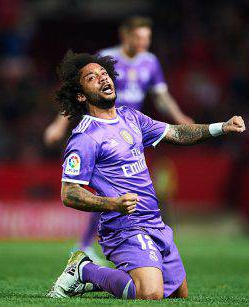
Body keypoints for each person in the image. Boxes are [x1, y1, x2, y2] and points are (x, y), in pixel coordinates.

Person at [47, 51, 246, 299]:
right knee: (150, 294)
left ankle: (101, 277)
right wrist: (112, 204)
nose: (103, 78)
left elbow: (177, 133)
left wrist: (221, 127)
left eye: (104, 73)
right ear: (80, 95)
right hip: (124, 226)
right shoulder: (85, 137)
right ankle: (85, 270)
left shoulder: (131, 117)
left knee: (177, 296)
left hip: (154, 221)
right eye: (92, 78)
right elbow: (69, 193)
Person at [44, 16, 193, 261]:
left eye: (148, 38)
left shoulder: (150, 62)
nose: (144, 43)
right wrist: (58, 125)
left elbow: (161, 97)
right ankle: (87, 246)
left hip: (131, 130)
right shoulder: (106, 59)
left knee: (130, 191)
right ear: (125, 36)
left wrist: (180, 117)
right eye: (139, 38)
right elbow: (77, 89)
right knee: (106, 190)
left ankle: (126, 242)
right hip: (103, 133)